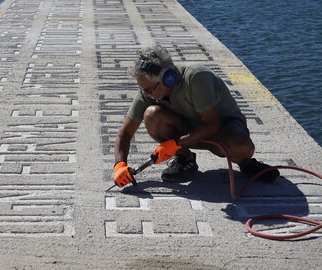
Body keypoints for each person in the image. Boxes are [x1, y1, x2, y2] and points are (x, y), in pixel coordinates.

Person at [113, 45, 280, 187]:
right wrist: (119, 165)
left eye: (149, 89)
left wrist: (174, 144)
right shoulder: (148, 92)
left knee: (240, 145)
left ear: (168, 79)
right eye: (143, 90)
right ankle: (185, 160)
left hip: (222, 129)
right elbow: (124, 133)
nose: (146, 94)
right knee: (152, 115)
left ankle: (246, 164)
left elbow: (211, 125)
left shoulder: (196, 77)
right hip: (188, 130)